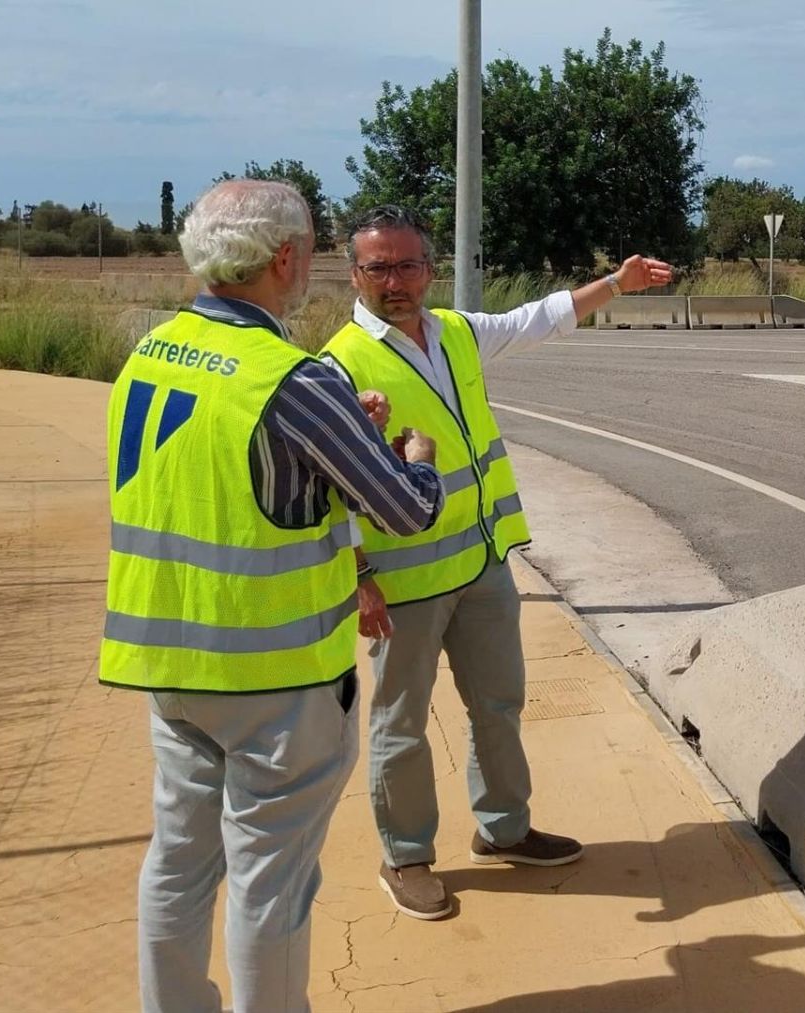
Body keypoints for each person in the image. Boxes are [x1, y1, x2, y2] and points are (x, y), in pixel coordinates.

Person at [101, 180, 448, 1013]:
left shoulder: (151, 351)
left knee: (178, 863)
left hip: (170, 668)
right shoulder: (292, 377)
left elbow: (217, 482)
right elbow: (403, 508)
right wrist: (414, 451)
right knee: (271, 885)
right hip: (277, 680)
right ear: (286, 257)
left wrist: (336, 437)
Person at [320, 205, 673, 920]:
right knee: (402, 723)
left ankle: (504, 829)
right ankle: (407, 854)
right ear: (354, 274)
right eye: (379, 266)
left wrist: (616, 283)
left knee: (499, 706)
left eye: (409, 263)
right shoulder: (337, 367)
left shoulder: (453, 332)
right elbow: (331, 493)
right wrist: (357, 579)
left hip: (480, 564)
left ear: (431, 267)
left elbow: (537, 318)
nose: (397, 280)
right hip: (404, 582)